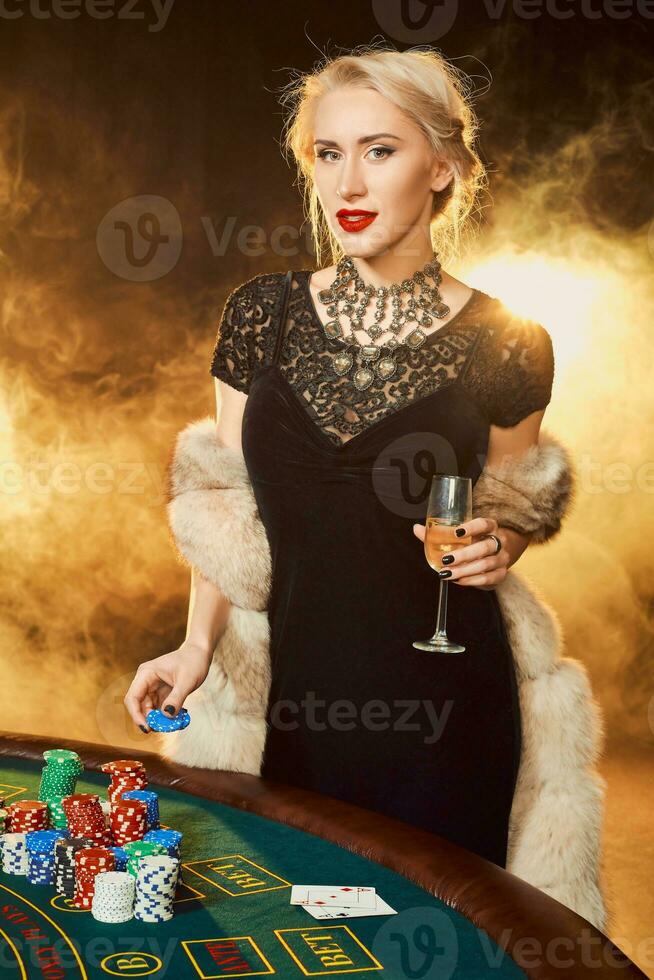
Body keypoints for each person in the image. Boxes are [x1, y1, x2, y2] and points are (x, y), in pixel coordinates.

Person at [125, 45, 556, 869]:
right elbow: (226, 507)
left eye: (379, 151)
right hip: (294, 708)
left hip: (444, 714)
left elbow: (509, 504)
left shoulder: (511, 343)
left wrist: (508, 541)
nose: (347, 185)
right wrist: (195, 646)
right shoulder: (262, 313)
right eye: (328, 154)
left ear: (442, 166)